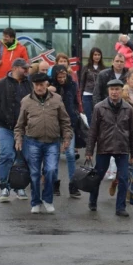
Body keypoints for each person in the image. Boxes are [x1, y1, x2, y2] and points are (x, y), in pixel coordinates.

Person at [14, 73, 73, 214]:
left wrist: (67, 138)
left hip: (52, 142)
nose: (39, 87)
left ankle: (47, 199)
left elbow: (65, 121)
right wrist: (18, 138)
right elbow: (20, 124)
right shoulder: (26, 101)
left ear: (46, 84)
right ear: (33, 85)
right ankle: (35, 202)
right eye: (37, 85)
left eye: (42, 84)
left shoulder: (57, 99)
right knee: (34, 173)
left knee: (51, 170)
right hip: (32, 141)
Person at [85, 79, 133, 217]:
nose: (114, 92)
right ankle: (92, 201)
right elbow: (93, 131)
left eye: (117, 89)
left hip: (122, 147)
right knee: (97, 177)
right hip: (104, 146)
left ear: (122, 91)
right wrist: (89, 151)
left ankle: (120, 207)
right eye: (112, 89)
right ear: (108, 91)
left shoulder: (128, 108)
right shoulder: (99, 107)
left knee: (124, 178)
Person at [0, 58, 33, 203]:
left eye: (27, 68)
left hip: (25, 129)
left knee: (22, 158)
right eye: (24, 68)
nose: (26, 71)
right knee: (6, 155)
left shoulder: (30, 84)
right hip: (5, 127)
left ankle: (20, 186)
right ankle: (4, 186)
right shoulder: (0, 84)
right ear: (15, 68)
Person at [108, 70, 133, 197]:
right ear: (128, 80)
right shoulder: (121, 94)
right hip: (122, 131)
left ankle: (128, 191)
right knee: (124, 162)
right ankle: (117, 182)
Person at [49, 64, 82, 199]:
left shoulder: (72, 84)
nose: (62, 79)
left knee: (69, 154)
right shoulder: (49, 86)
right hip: (54, 123)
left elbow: (74, 101)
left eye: (63, 76)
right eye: (59, 77)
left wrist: (78, 113)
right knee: (55, 154)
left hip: (69, 122)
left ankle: (73, 185)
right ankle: (55, 184)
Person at [80, 47, 107, 126]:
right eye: (95, 55)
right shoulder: (86, 68)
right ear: (91, 56)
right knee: (89, 117)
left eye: (99, 55)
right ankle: (91, 136)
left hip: (99, 96)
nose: (97, 56)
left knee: (99, 117)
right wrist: (80, 97)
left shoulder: (103, 68)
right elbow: (82, 83)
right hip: (87, 95)